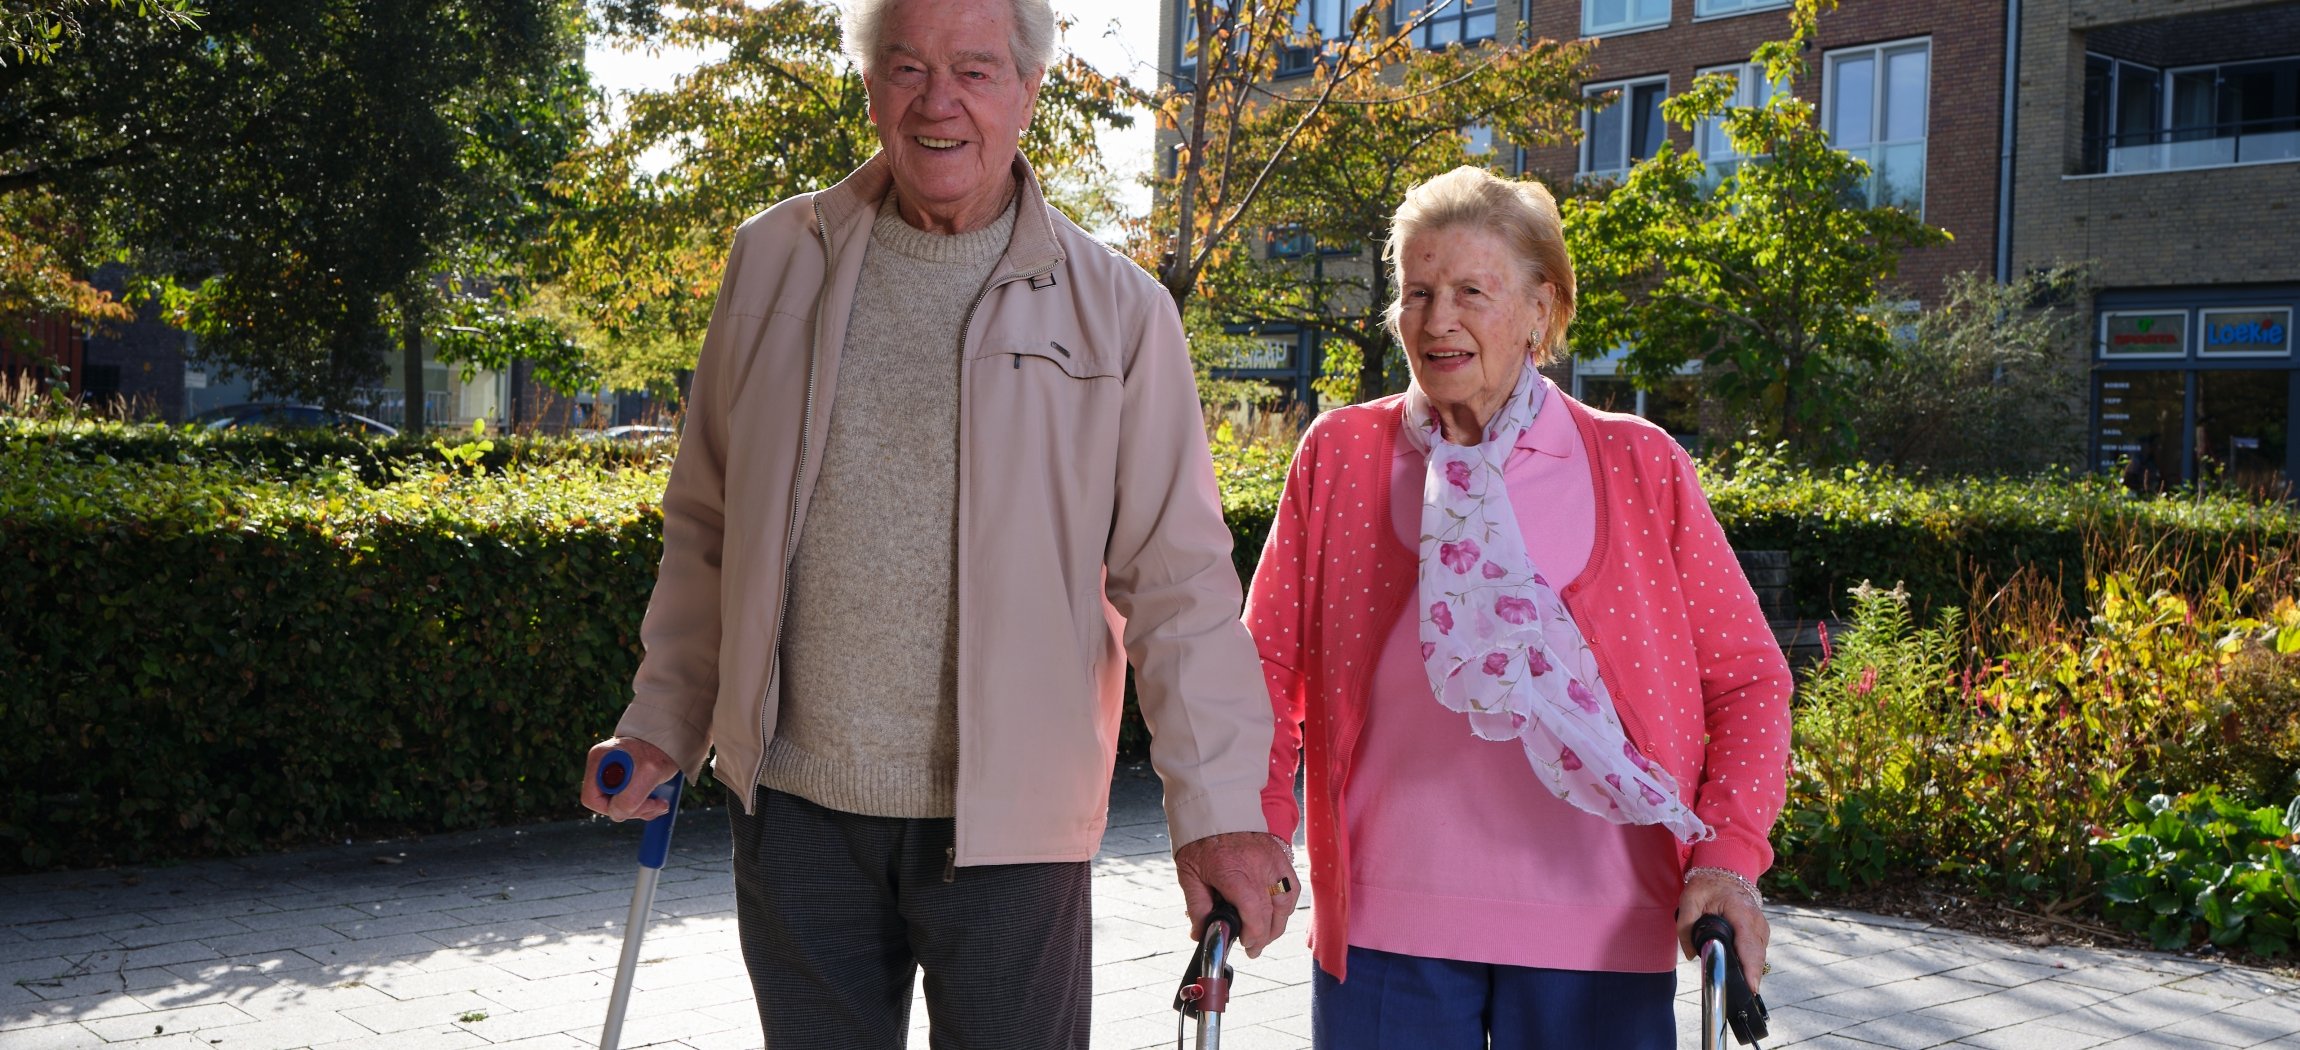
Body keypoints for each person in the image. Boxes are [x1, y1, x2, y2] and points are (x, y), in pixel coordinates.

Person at [578, 0, 1297, 1045]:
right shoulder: (775, 259)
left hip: (1016, 829)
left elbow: (1179, 585)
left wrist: (1221, 815)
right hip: (795, 808)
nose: (937, 100)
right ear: (869, 85)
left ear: (1027, 89)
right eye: (906, 67)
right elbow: (706, 525)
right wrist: (662, 721)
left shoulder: (1120, 311)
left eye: (973, 68)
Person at [1245, 166, 1792, 1048]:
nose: (1437, 319)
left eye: (1471, 291)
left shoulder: (1638, 465)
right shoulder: (1340, 457)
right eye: (1417, 291)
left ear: (1542, 311)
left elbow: (1748, 681)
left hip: (1604, 931)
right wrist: (1255, 830)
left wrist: (1729, 856)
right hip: (1391, 926)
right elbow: (1262, 671)